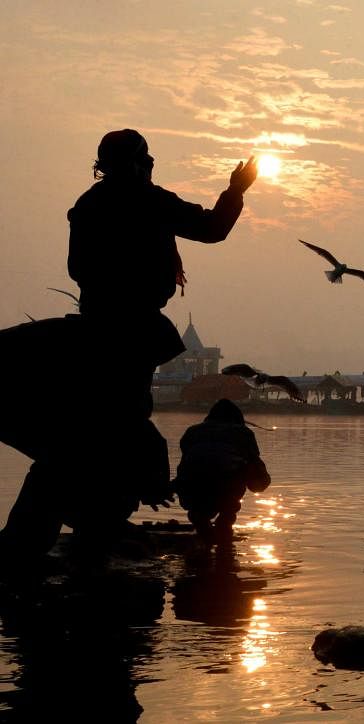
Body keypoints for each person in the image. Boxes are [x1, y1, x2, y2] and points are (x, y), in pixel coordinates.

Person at [0, 132, 257, 563]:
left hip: (97, 328)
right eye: (147, 159)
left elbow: (76, 267)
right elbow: (212, 229)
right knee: (111, 431)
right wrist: (235, 190)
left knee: (88, 438)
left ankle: (72, 531)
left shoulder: (87, 205)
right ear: (138, 164)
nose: (151, 164)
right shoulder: (148, 200)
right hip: (127, 332)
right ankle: (77, 531)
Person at [173, 399, 271, 545]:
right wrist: (259, 482)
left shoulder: (192, 432)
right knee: (240, 470)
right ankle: (225, 521)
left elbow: (185, 467)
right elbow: (256, 471)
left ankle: (202, 524)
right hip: (224, 490)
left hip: (191, 491)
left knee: (194, 480)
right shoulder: (243, 433)